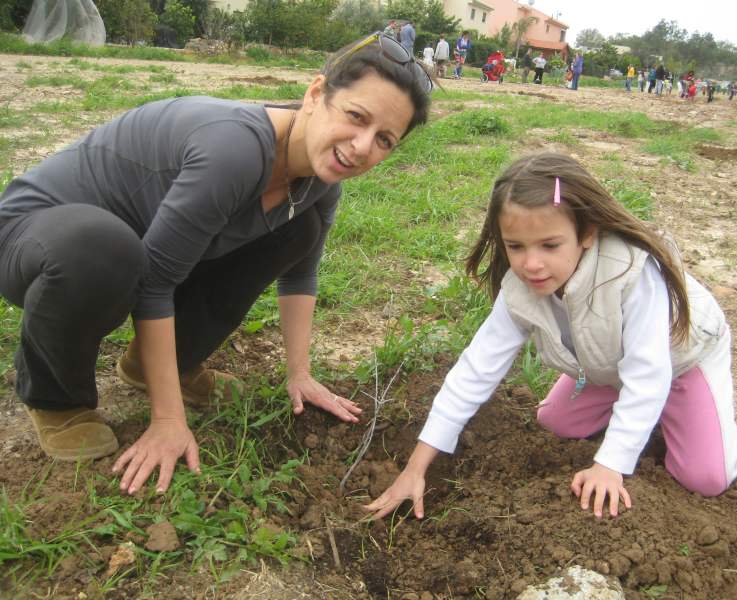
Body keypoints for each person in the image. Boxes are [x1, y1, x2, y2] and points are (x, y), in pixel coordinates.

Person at [0, 31, 432, 495]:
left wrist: (299, 373)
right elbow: (155, 279)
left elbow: (301, 273)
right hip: (36, 237)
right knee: (105, 247)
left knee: (297, 231)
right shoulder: (236, 148)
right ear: (314, 94)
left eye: (384, 139)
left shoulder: (320, 184)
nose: (363, 145)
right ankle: (56, 399)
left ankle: (156, 366)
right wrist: (168, 420)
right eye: (355, 116)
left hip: (132, 249)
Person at [365, 152, 737, 520]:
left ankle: (674, 411)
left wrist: (609, 466)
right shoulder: (521, 289)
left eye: (550, 245)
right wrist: (416, 467)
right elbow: (474, 370)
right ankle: (636, 411)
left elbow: (648, 374)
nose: (531, 264)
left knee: (706, 478)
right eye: (515, 246)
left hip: (681, 362)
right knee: (555, 422)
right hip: (607, 367)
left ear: (587, 232)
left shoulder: (629, 272)